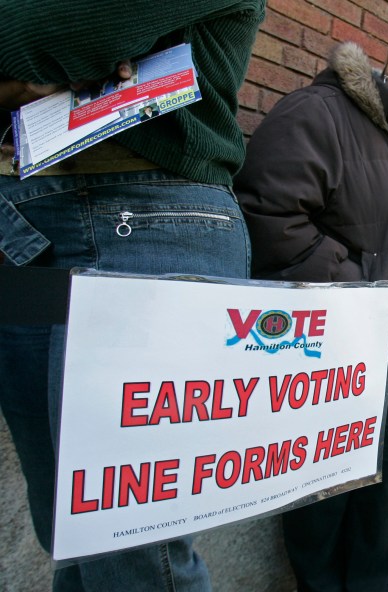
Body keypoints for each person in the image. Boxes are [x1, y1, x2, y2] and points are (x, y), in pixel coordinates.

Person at [0, 2, 264, 590]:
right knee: (68, 537)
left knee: (135, 557)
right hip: (22, 219)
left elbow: (65, 26)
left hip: (150, 211)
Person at [234, 12, 388, 592]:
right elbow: (267, 216)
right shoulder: (319, 113)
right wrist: (361, 291)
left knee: (384, 488)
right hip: (333, 350)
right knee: (323, 491)